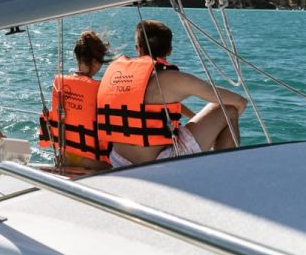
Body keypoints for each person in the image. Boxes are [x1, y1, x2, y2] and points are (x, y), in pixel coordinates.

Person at [97, 20, 247, 168]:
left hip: (118, 160)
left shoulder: (114, 76)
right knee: (229, 109)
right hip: (160, 161)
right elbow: (239, 101)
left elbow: (145, 108)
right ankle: (225, 171)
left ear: (138, 48)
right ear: (169, 50)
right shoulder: (175, 80)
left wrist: (193, 118)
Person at [38, 30, 111, 170]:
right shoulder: (98, 89)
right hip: (91, 161)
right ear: (95, 62)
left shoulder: (59, 83)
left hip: (64, 157)